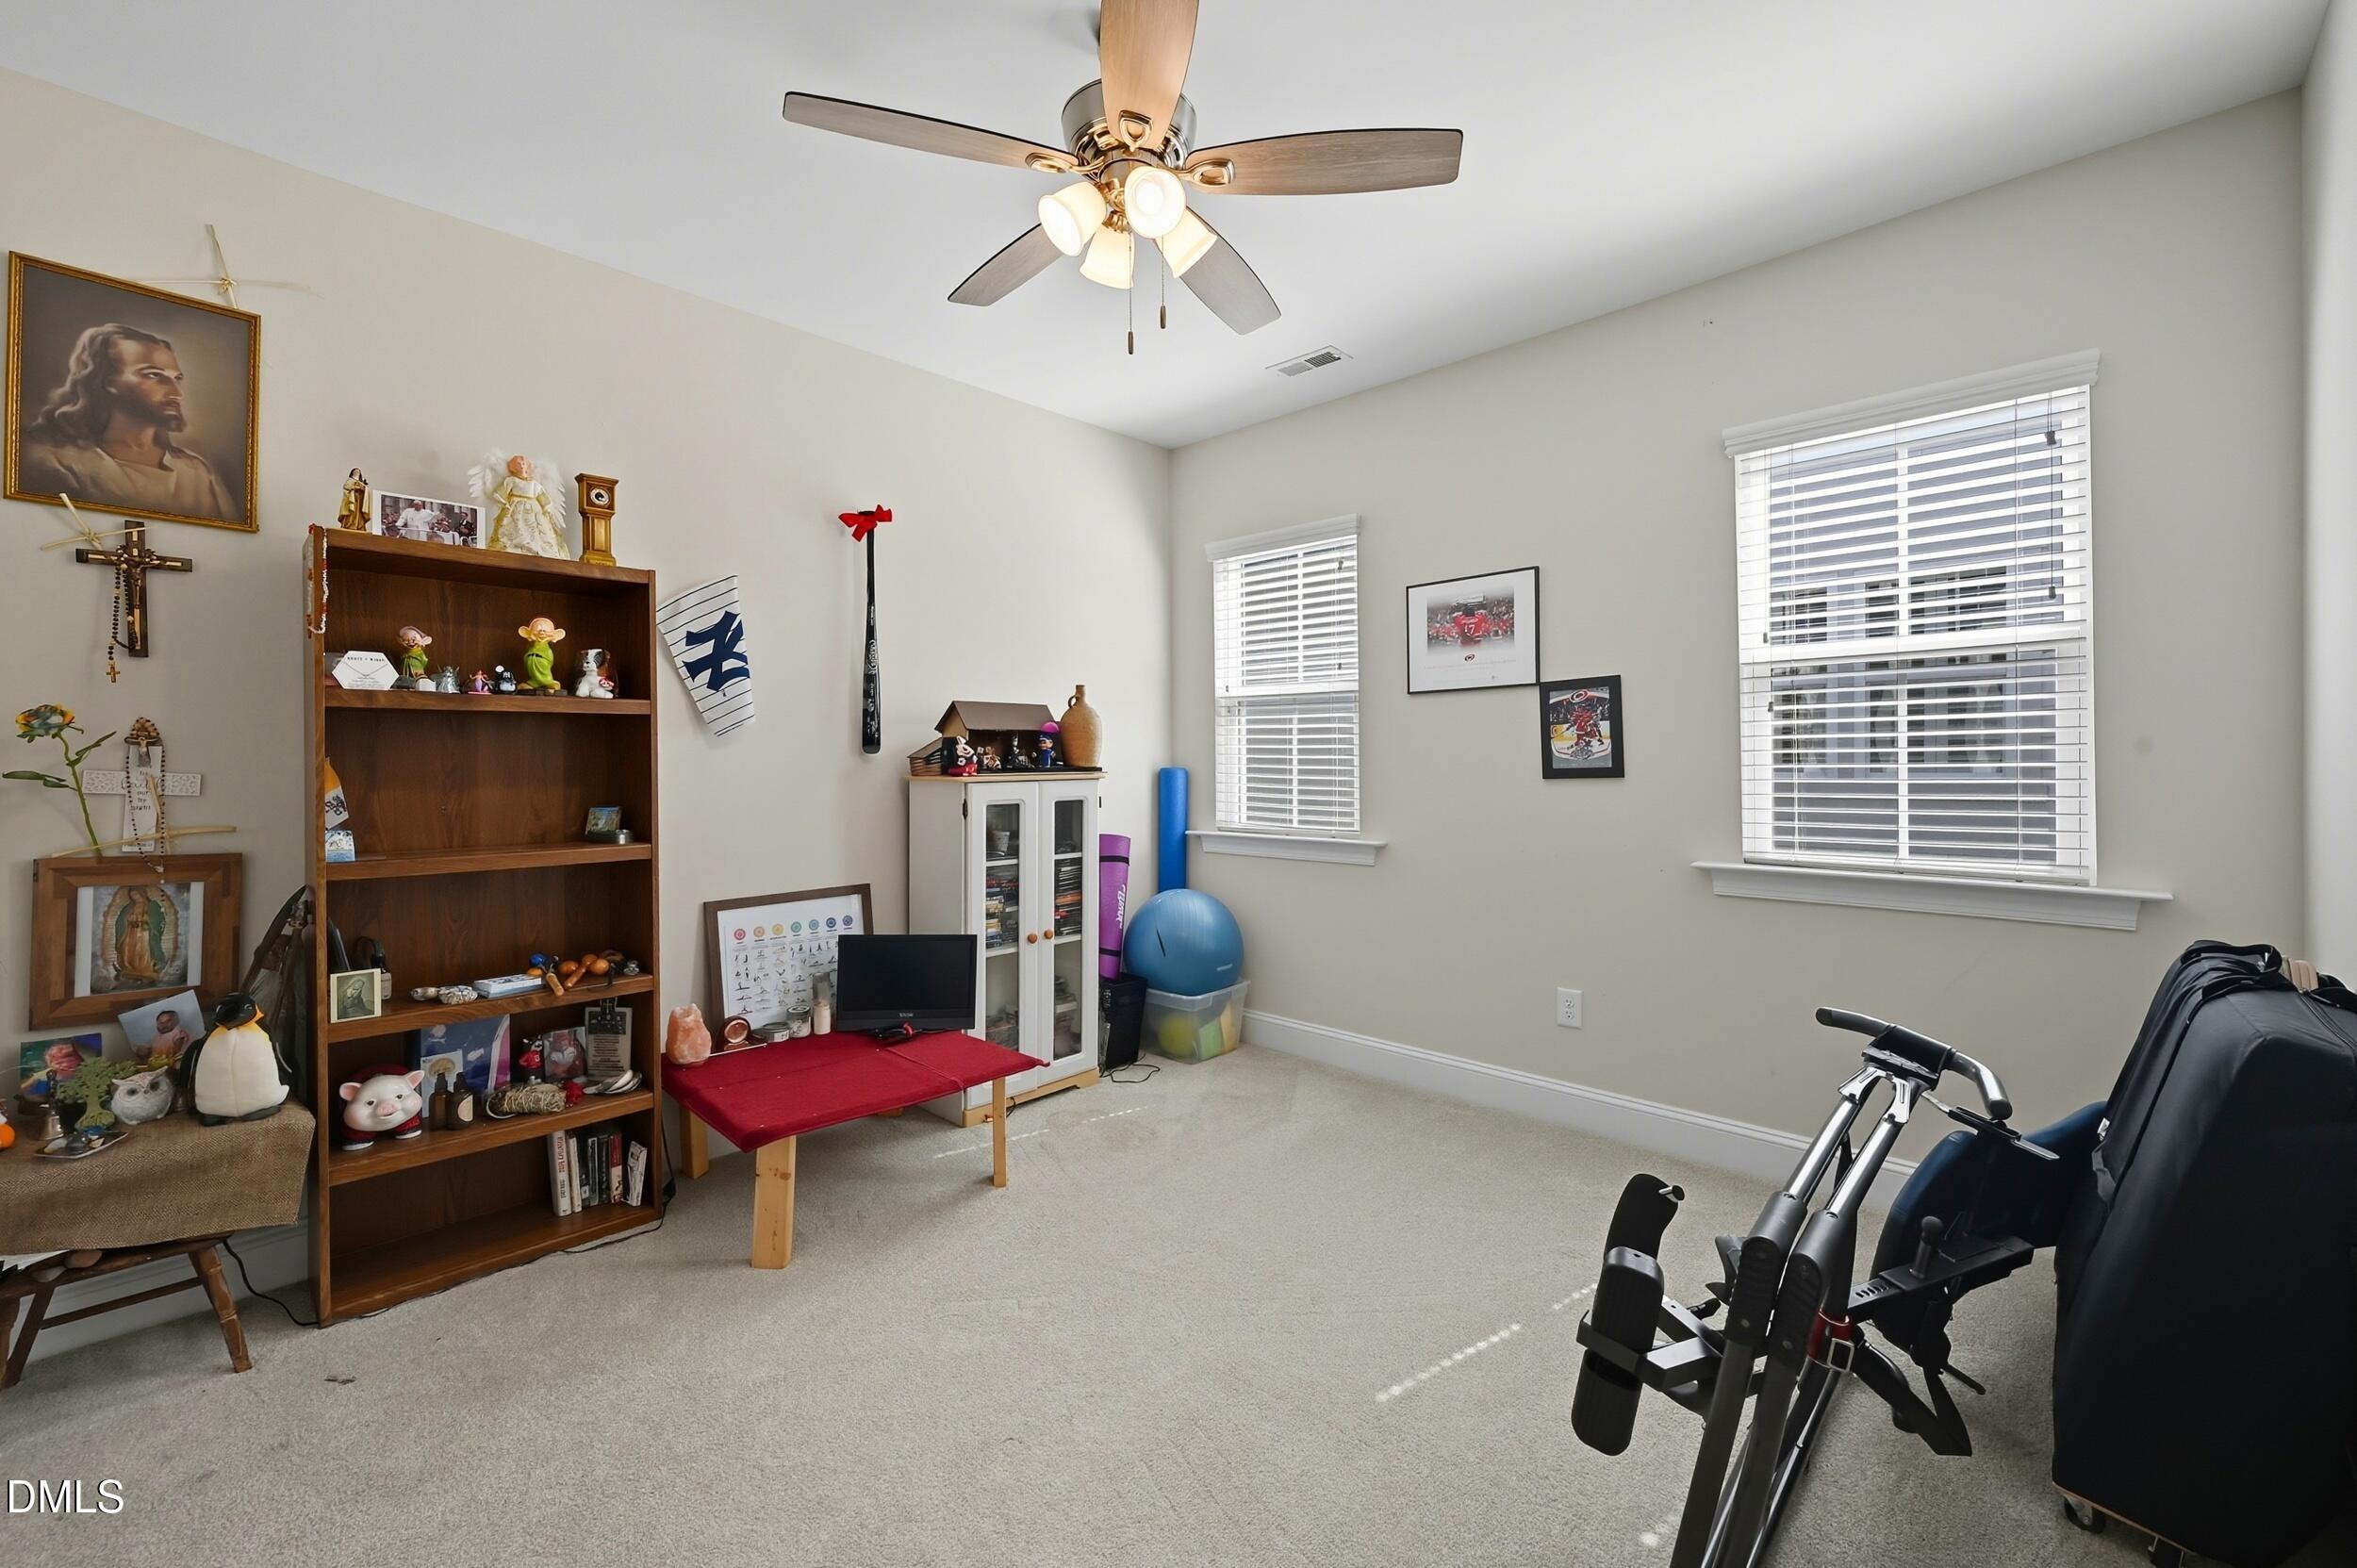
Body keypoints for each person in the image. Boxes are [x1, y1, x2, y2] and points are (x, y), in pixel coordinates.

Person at [17, 322, 241, 522]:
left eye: (177, 379)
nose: (176, 393)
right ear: (108, 381)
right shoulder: (56, 463)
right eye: (154, 375)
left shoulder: (196, 472)